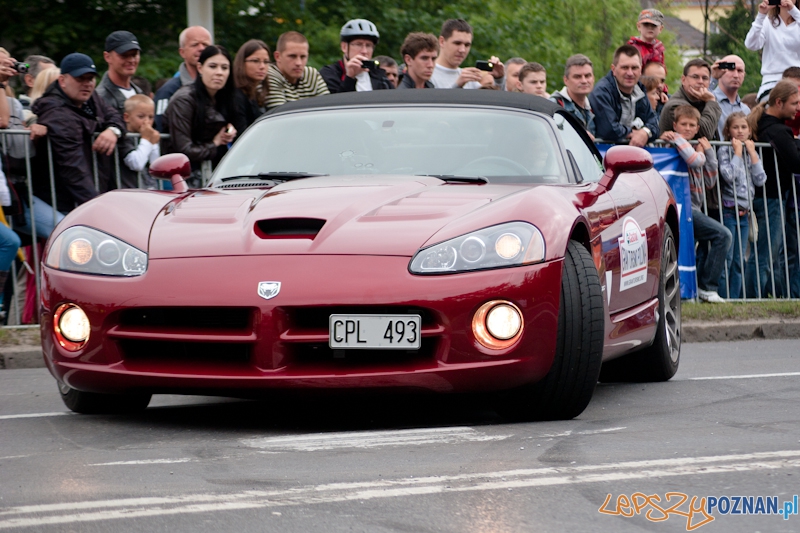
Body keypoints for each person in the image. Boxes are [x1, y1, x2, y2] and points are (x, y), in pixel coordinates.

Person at [31, 53, 126, 213]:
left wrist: (113, 130)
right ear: (62, 81)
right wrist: (97, 206)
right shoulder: (56, 112)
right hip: (63, 203)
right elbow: (73, 168)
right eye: (80, 78)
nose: (87, 84)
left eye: (90, 79)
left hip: (88, 197)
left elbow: (114, 115)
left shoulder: (91, 98)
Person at [661, 105, 730, 303]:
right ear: (675, 125)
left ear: (698, 128)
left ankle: (696, 290)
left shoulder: (693, 147)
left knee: (699, 246)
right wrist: (682, 141)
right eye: (683, 124)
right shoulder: (673, 143)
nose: (688, 128)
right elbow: (694, 161)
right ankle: (706, 287)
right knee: (723, 235)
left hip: (694, 209)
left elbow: (710, 181)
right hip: (681, 209)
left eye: (692, 125)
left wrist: (708, 152)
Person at [745, 80, 800, 297]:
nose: (797, 108)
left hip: (767, 195)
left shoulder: (763, 124)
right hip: (771, 197)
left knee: (768, 253)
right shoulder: (777, 130)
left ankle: (764, 295)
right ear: (779, 102)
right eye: (794, 103)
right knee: (766, 254)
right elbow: (795, 163)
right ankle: (753, 298)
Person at [164, 45, 238, 172]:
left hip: (213, 171)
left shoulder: (225, 97)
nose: (219, 72)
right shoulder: (184, 100)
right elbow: (184, 150)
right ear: (200, 68)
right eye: (213, 66)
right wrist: (215, 143)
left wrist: (228, 131)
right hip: (183, 174)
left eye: (224, 68)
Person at [716, 112, 766, 298]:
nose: (740, 131)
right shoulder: (724, 150)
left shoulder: (751, 152)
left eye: (744, 127)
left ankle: (735, 299)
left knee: (739, 260)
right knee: (728, 258)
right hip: (729, 211)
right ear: (728, 131)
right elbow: (729, 176)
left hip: (746, 213)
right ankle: (723, 296)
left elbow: (761, 180)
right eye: (735, 127)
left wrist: (752, 154)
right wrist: (737, 153)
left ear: (750, 131)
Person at [589, 45, 658, 146]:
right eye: (625, 67)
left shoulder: (640, 90)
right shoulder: (602, 92)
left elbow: (654, 123)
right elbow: (609, 130)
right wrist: (636, 133)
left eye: (634, 68)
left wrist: (645, 132)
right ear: (613, 69)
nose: (630, 73)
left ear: (640, 70)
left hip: (632, 152)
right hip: (605, 152)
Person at [154, 26, 213, 131]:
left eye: (205, 44)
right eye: (195, 44)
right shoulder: (168, 91)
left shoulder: (219, 88)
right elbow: (160, 130)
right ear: (182, 52)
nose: (201, 48)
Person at [745, 0, 800, 102]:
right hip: (771, 82)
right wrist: (761, 15)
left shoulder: (798, 21)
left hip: (797, 81)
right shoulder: (767, 22)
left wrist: (793, 10)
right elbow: (751, 45)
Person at [320, 19, 392, 93]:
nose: (364, 51)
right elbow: (335, 99)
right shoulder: (330, 73)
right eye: (358, 44)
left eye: (368, 45)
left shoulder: (379, 76)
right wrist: (350, 77)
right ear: (344, 47)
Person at [430, 19, 504, 89]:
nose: (462, 50)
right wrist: (457, 85)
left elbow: (491, 97)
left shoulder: (468, 78)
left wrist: (499, 80)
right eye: (457, 43)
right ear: (442, 42)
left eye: (467, 45)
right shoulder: (428, 73)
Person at [659, 59, 722, 141]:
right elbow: (704, 133)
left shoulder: (703, 100)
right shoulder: (675, 105)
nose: (700, 81)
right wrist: (711, 101)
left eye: (705, 78)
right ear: (683, 80)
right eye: (695, 77)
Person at [266, 32, 329, 109]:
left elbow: (327, 109)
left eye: (303, 57)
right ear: (278, 57)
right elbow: (280, 113)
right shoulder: (269, 75)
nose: (298, 63)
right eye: (292, 56)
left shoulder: (311, 74)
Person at [96, 30, 143, 115]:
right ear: (107, 57)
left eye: (134, 55)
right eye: (124, 55)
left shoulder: (140, 92)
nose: (131, 60)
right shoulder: (100, 99)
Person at [550, 54, 595, 137]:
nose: (584, 81)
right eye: (577, 77)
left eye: (587, 76)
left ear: (593, 78)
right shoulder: (554, 105)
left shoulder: (593, 106)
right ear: (566, 80)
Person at [120, 94, 159, 189]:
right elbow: (136, 164)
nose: (147, 122)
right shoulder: (123, 137)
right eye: (141, 117)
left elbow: (155, 166)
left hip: (149, 188)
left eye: (151, 117)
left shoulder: (146, 136)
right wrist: (146, 139)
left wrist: (154, 144)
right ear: (126, 117)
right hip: (129, 191)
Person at [232, 39, 270, 130]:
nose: (262, 66)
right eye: (256, 61)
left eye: (266, 62)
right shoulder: (236, 95)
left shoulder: (255, 92)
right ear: (242, 63)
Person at [711, 55, 749, 139]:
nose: (736, 75)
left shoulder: (746, 110)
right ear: (720, 71)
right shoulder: (709, 99)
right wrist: (713, 78)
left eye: (740, 71)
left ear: (744, 75)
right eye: (731, 69)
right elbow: (696, 99)